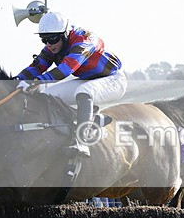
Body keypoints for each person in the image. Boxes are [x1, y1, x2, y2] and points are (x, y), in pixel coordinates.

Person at [15, 11, 126, 156]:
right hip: (87, 79)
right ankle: (88, 118)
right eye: (44, 40)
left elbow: (66, 69)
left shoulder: (83, 41)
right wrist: (13, 81)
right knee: (47, 96)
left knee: (84, 91)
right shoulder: (52, 46)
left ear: (65, 34)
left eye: (52, 39)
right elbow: (36, 67)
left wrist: (35, 82)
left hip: (113, 79)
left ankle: (83, 141)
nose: (49, 44)